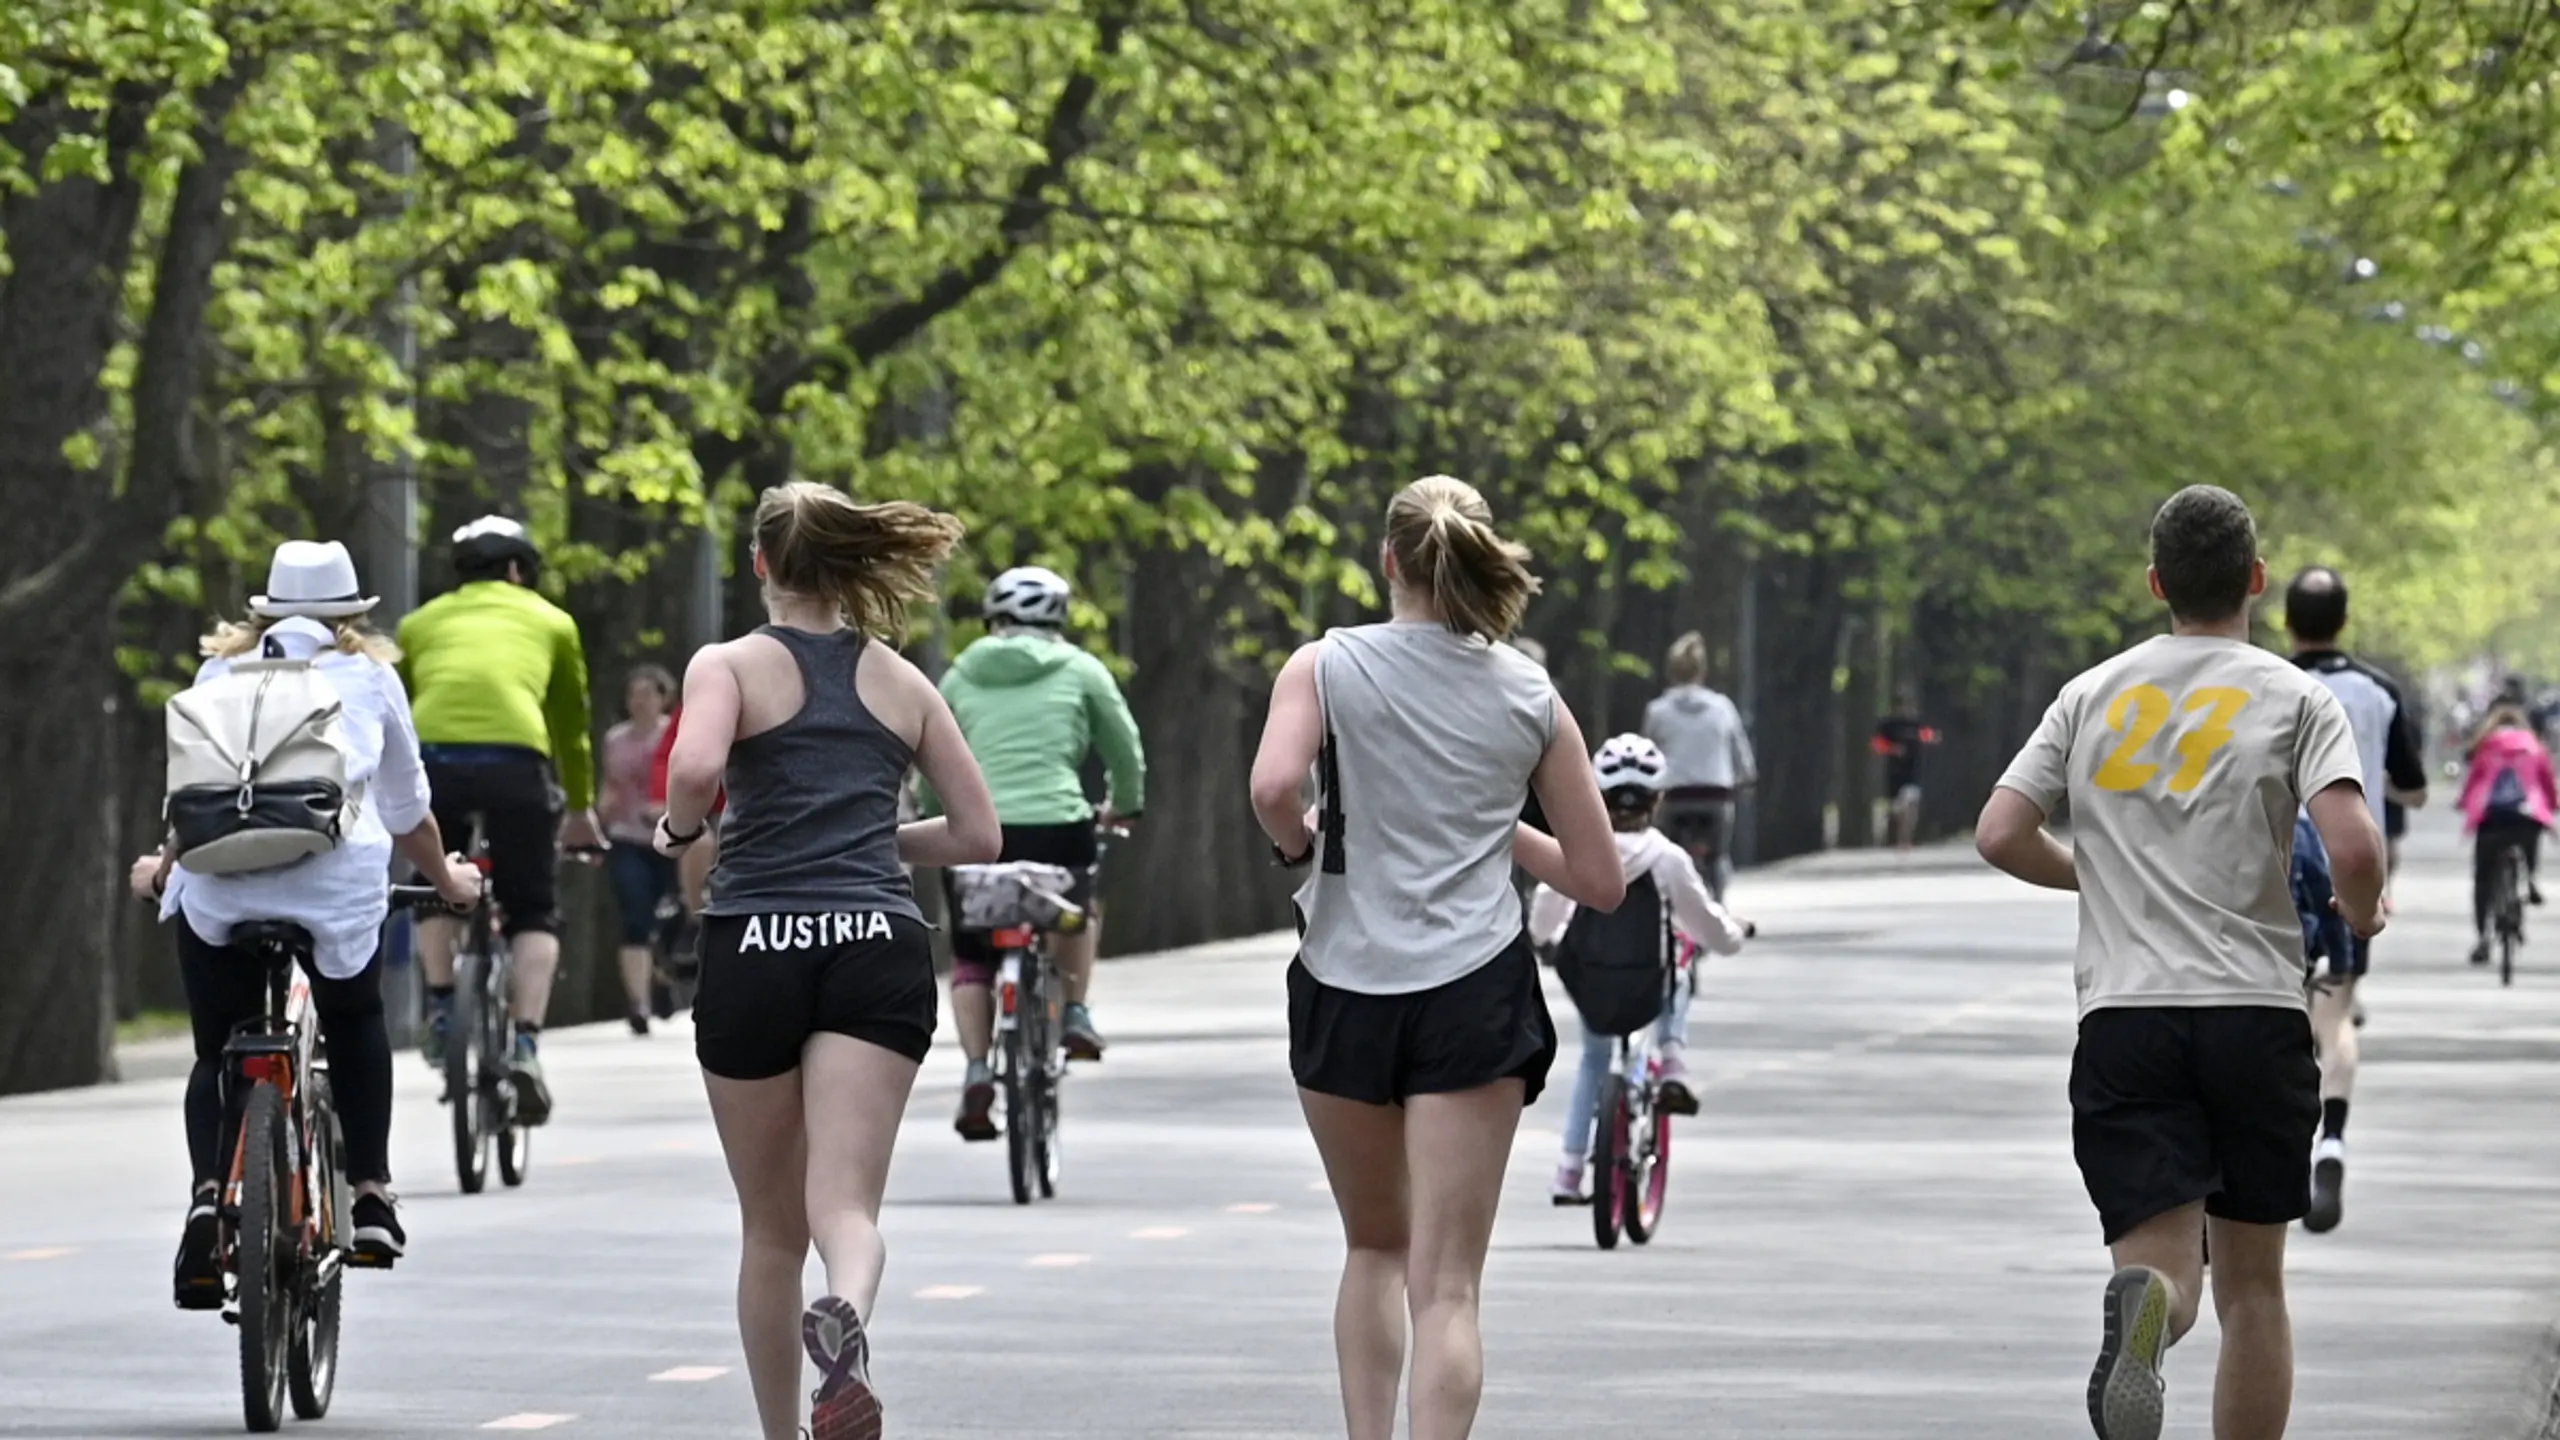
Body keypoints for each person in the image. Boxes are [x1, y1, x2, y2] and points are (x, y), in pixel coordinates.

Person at [1975, 485, 2381, 1440]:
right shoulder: (2297, 696)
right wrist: (2358, 912)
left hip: (2127, 1019)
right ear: (2257, 581)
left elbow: (2000, 831)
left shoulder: (2091, 693)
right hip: (2254, 1014)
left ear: (2157, 582)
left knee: (2164, 1269)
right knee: (2253, 1293)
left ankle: (2149, 1306)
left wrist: (2096, 877)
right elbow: (2354, 851)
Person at [1249, 474, 1623, 1440]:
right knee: (1448, 1285)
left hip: (1343, 983)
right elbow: (1598, 879)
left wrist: (1299, 844)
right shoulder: (1529, 693)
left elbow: (1273, 786)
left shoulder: (1323, 666)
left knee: (1374, 1247)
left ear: (1388, 560)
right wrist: (1495, 827)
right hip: (1474, 990)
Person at [656, 481, 999, 1440]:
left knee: (771, 1228)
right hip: (874, 946)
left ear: (761, 565)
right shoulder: (899, 679)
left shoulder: (727, 665)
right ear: (847, 570)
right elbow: (979, 834)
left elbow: (692, 772)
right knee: (845, 1206)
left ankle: (781, 1432)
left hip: (758, 942)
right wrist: (878, 844)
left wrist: (681, 827)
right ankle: (846, 1308)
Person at [129, 541, 483, 1304]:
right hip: (333, 889)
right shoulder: (369, 676)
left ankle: (205, 1205)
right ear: (352, 615)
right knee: (354, 1020)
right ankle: (371, 1196)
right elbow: (405, 811)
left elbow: (202, 794)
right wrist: (448, 879)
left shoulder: (218, 673)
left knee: (213, 1049)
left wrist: (163, 867)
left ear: (265, 611)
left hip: (220, 886)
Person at [924, 564, 1145, 1140]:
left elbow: (932, 757)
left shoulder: (957, 677)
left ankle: (977, 1068)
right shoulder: (1082, 670)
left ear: (992, 618)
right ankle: (1073, 1011)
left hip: (976, 833)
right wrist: (1125, 803)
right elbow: (1123, 747)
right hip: (1058, 823)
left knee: (973, 955)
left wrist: (934, 815)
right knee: (1076, 907)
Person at [397, 515, 602, 1124]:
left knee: (438, 883)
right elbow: (570, 723)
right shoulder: (552, 621)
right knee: (534, 907)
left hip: (435, 765)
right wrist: (581, 809)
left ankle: (440, 1011)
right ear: (518, 570)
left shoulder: (418, 624)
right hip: (517, 765)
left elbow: (396, 716)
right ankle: (528, 1045)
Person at [1528, 734, 1749, 1204]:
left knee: (1592, 1060)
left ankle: (1569, 1171)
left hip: (1592, 983)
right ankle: (1671, 1058)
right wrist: (1733, 939)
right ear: (1658, 798)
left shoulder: (1578, 851)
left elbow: (1547, 909)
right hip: (1650, 980)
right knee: (1681, 964)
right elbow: (1705, 921)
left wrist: (1543, 939)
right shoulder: (1669, 859)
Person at [2279, 566, 2427, 1234]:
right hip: (2347, 866)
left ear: (2287, 619)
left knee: (2273, 1015)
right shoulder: (2377, 691)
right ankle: (2331, 1141)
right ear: (2343, 620)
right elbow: (2413, 785)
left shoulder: (2261, 683)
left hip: (2270, 865)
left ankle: (2266, 1152)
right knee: (2336, 1016)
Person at [1642, 631, 1755, 897]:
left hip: (1673, 796)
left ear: (1670, 672)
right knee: (1718, 855)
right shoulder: (1722, 707)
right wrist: (1746, 778)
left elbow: (1646, 756)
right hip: (1716, 795)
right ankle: (1717, 900)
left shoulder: (1657, 711)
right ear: (1702, 672)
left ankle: (1670, 903)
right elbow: (1742, 756)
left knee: (1667, 854)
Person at [601, 664, 679, 1033]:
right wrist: (599, 812)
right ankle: (640, 1004)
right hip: (626, 836)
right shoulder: (616, 738)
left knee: (675, 915)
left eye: (648, 693)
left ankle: (662, 970)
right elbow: (611, 784)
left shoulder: (676, 733)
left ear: (664, 698)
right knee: (634, 916)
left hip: (672, 837)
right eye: (634, 693)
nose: (640, 701)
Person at [2461, 702, 2557, 965]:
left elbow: (2474, 784)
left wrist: (2463, 803)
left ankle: (2483, 937)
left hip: (2491, 817)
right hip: (2527, 816)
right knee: (2528, 847)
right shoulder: (2534, 746)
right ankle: (2530, 879)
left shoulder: (2486, 747)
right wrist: (2552, 805)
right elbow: (2547, 783)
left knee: (2483, 879)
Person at [1872, 689, 1938, 853]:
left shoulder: (1915, 723)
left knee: (1911, 806)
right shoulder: (1888, 724)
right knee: (1898, 809)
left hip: (1912, 772)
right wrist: (1893, 749)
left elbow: (1926, 735)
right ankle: (1894, 831)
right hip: (1895, 773)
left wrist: (1932, 737)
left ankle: (1905, 841)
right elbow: (1877, 744)